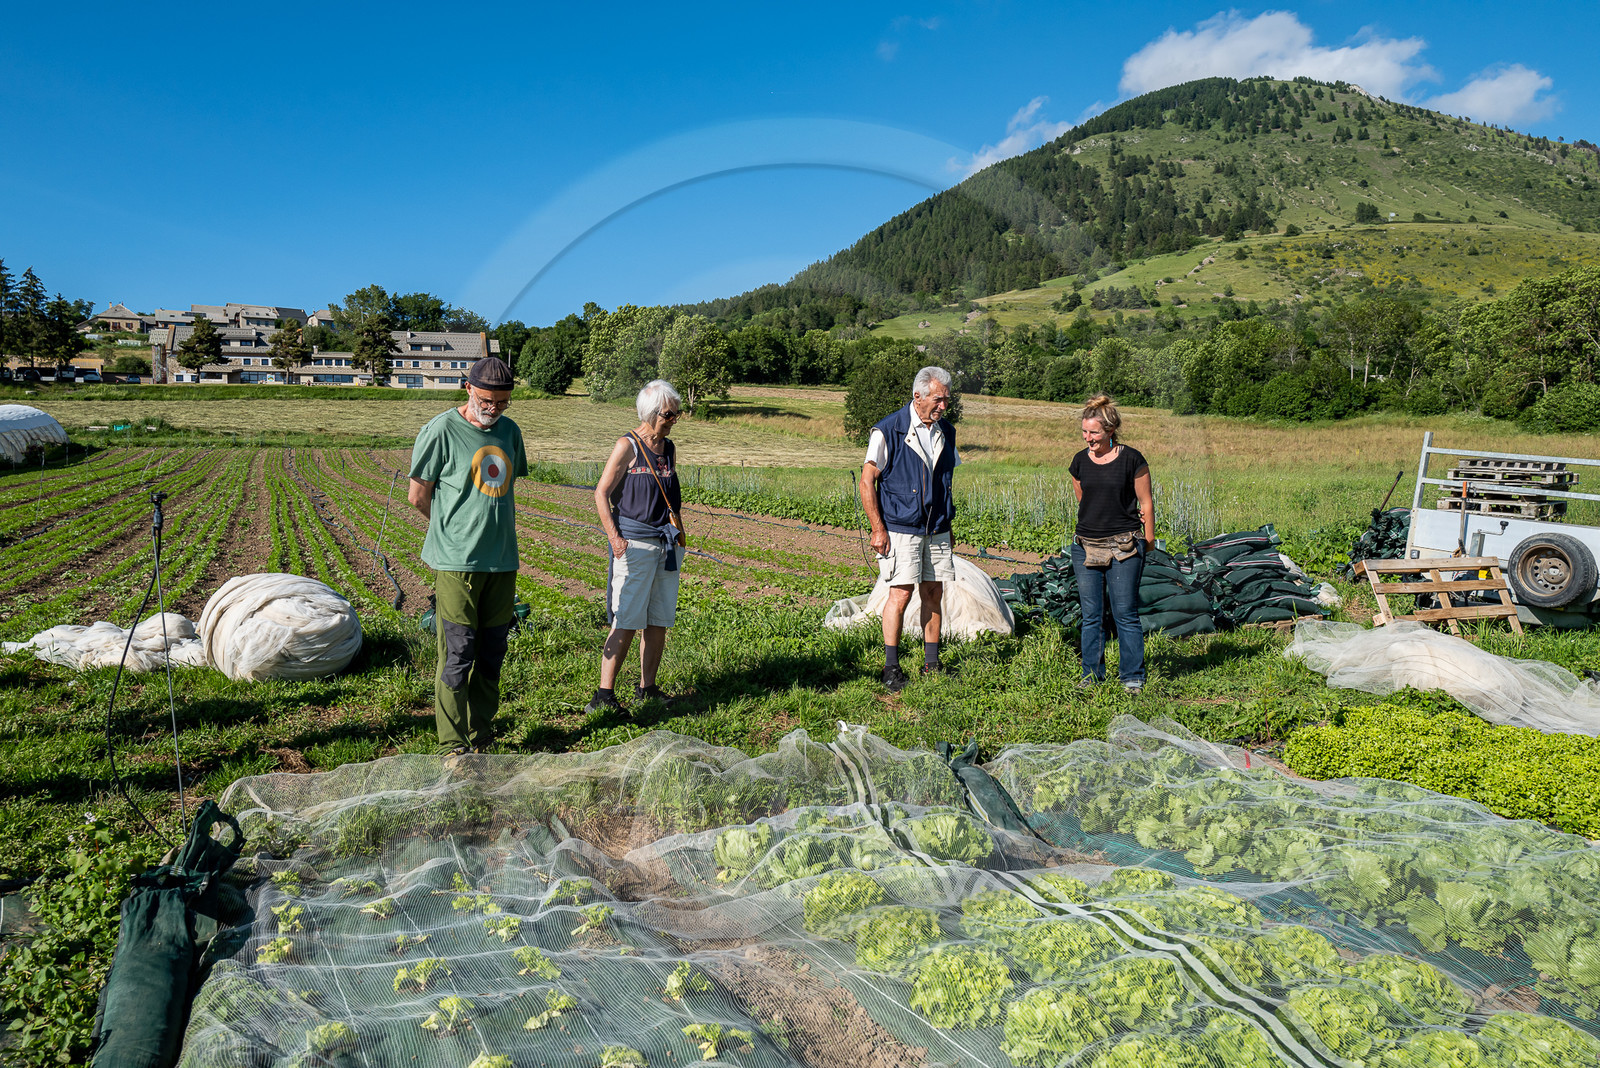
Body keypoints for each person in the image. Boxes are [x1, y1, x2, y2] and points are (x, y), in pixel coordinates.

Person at [407, 356, 527, 753]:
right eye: (487, 401)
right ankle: (452, 745)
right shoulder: (441, 430)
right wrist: (451, 532)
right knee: (458, 653)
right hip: (458, 563)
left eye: (502, 402)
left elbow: (500, 491)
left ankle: (482, 734)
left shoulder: (510, 432)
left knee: (492, 652)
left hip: (502, 560)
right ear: (468, 389)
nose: (494, 409)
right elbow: (418, 496)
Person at [587, 380, 687, 715]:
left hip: (665, 544)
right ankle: (603, 695)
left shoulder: (668, 449)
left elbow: (671, 499)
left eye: (676, 413)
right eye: (669, 414)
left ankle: (648, 688)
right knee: (627, 619)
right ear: (650, 413)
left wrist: (680, 535)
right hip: (634, 544)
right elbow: (601, 493)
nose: (674, 419)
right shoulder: (627, 446)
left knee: (658, 619)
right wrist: (616, 541)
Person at [859, 365, 960, 693]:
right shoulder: (888, 430)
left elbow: (946, 482)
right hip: (901, 528)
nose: (943, 405)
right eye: (938, 399)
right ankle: (891, 667)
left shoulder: (947, 432)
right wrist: (878, 529)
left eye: (946, 399)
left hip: (936, 528)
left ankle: (932, 664)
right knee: (900, 594)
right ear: (918, 396)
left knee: (933, 593)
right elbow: (867, 481)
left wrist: (947, 524)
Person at [1068, 393, 1156, 692]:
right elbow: (1084, 499)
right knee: (1091, 615)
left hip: (1125, 545)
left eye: (1094, 432)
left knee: (1125, 614)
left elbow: (1146, 501)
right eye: (1084, 432)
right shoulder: (1079, 461)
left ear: (1110, 430)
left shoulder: (1132, 459)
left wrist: (1149, 538)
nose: (1088, 438)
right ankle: (1091, 676)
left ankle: (1132, 677)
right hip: (1086, 546)